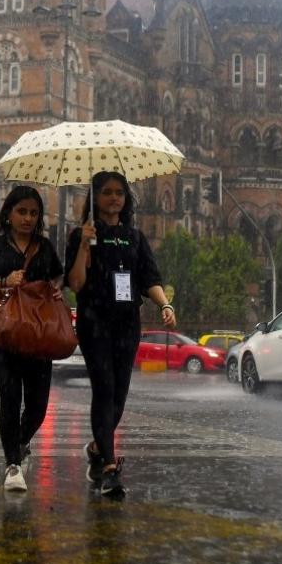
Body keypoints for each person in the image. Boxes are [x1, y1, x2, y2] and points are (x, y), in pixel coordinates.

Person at [65, 171, 176, 497]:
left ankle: (98, 449)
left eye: (120, 193)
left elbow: (149, 278)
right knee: (104, 388)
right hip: (94, 320)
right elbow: (75, 284)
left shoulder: (135, 237)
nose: (114, 198)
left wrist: (165, 305)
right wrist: (84, 245)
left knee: (119, 394)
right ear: (95, 197)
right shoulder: (81, 235)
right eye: (107, 192)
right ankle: (110, 468)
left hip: (127, 322)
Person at [0, 185, 64, 493]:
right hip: (6, 335)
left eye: (33, 213)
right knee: (10, 399)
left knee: (37, 406)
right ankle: (12, 464)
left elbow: (57, 278)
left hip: (38, 336)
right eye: (22, 212)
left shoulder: (45, 247)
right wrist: (3, 282)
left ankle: (21, 441)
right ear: (8, 213)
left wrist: (55, 289)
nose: (27, 218)